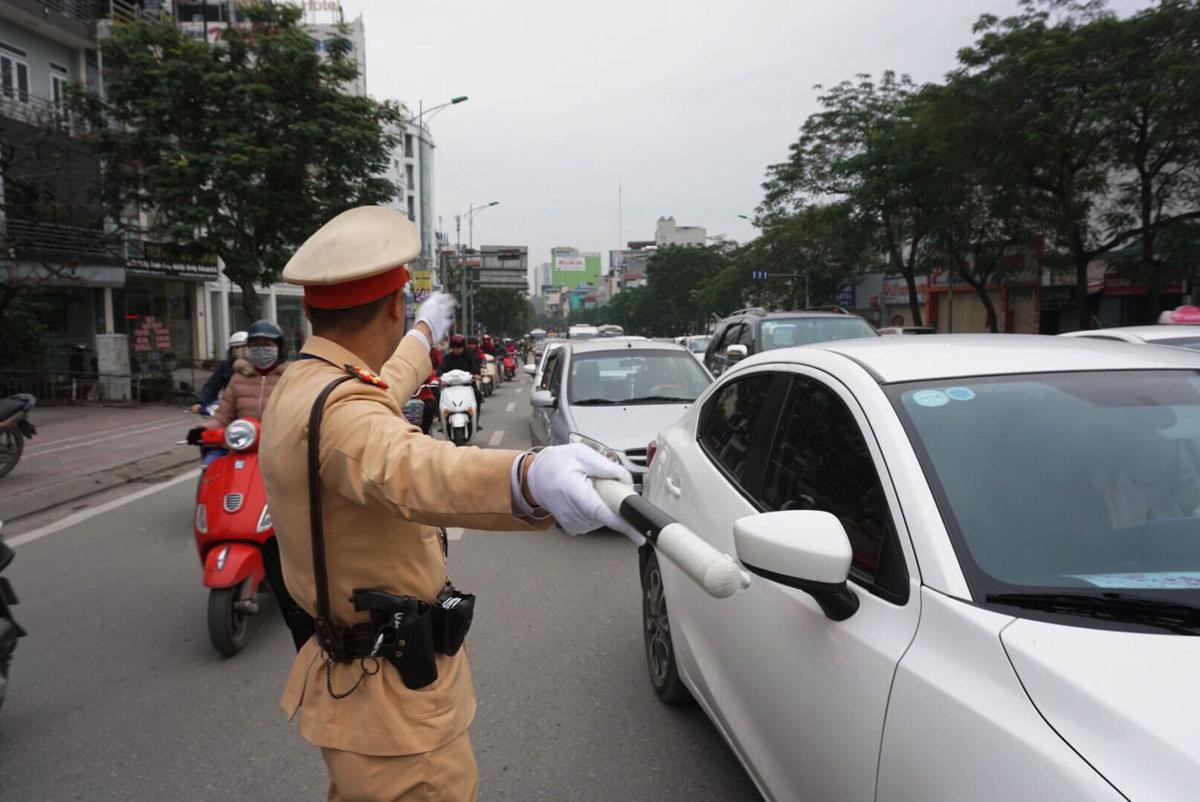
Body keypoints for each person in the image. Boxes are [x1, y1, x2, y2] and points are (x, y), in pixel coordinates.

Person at [258, 205, 639, 801]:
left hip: (353, 689)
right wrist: (527, 474)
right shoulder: (341, 415)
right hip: (393, 706)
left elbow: (378, 387)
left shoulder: (305, 383)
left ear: (311, 310)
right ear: (392, 305)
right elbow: (413, 468)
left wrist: (423, 337)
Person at [185, 320, 288, 463]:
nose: (261, 349)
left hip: (281, 452)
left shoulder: (291, 379)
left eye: (267, 345)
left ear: (278, 347)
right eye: (255, 345)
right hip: (243, 449)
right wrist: (202, 429)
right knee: (210, 466)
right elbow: (222, 417)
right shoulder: (238, 379)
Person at [190, 331, 248, 414]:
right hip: (230, 407)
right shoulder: (225, 366)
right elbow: (212, 385)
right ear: (231, 350)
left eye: (243, 346)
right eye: (236, 347)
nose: (240, 350)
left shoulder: (257, 365)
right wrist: (200, 402)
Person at [439, 333, 483, 427]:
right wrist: (439, 376)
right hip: (450, 386)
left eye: (459, 347)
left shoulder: (470, 356)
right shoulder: (447, 357)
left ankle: (475, 421)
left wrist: (476, 374)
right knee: (439, 397)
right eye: (454, 347)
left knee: (477, 396)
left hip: (467, 385)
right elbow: (441, 369)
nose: (457, 349)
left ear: (463, 347)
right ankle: (443, 420)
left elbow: (474, 367)